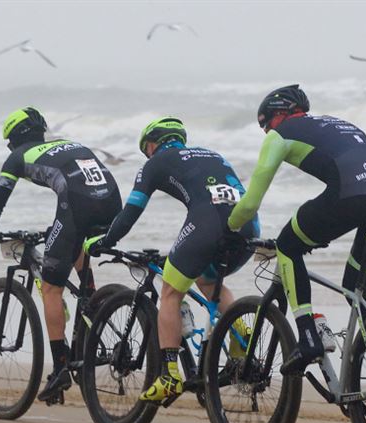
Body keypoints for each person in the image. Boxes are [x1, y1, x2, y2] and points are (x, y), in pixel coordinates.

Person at [228, 84, 366, 377]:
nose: (266, 132)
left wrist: (231, 228)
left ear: (278, 115)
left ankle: (308, 337)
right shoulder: (342, 124)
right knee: (357, 290)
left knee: (288, 245)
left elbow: (249, 204)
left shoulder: (280, 134)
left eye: (265, 124)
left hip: (351, 194)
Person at [84, 117, 259, 404]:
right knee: (206, 277)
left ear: (152, 144)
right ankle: (239, 327)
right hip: (249, 226)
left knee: (170, 290)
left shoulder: (155, 163)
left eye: (146, 150)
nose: (147, 155)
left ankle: (169, 375)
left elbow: (131, 212)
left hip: (207, 225)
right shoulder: (213, 154)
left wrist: (105, 241)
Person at [0, 107, 122, 404]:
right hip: (113, 205)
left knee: (52, 286)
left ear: (14, 138)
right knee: (73, 238)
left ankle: (60, 368)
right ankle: (90, 300)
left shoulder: (18, 157)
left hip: (77, 206)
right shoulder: (68, 143)